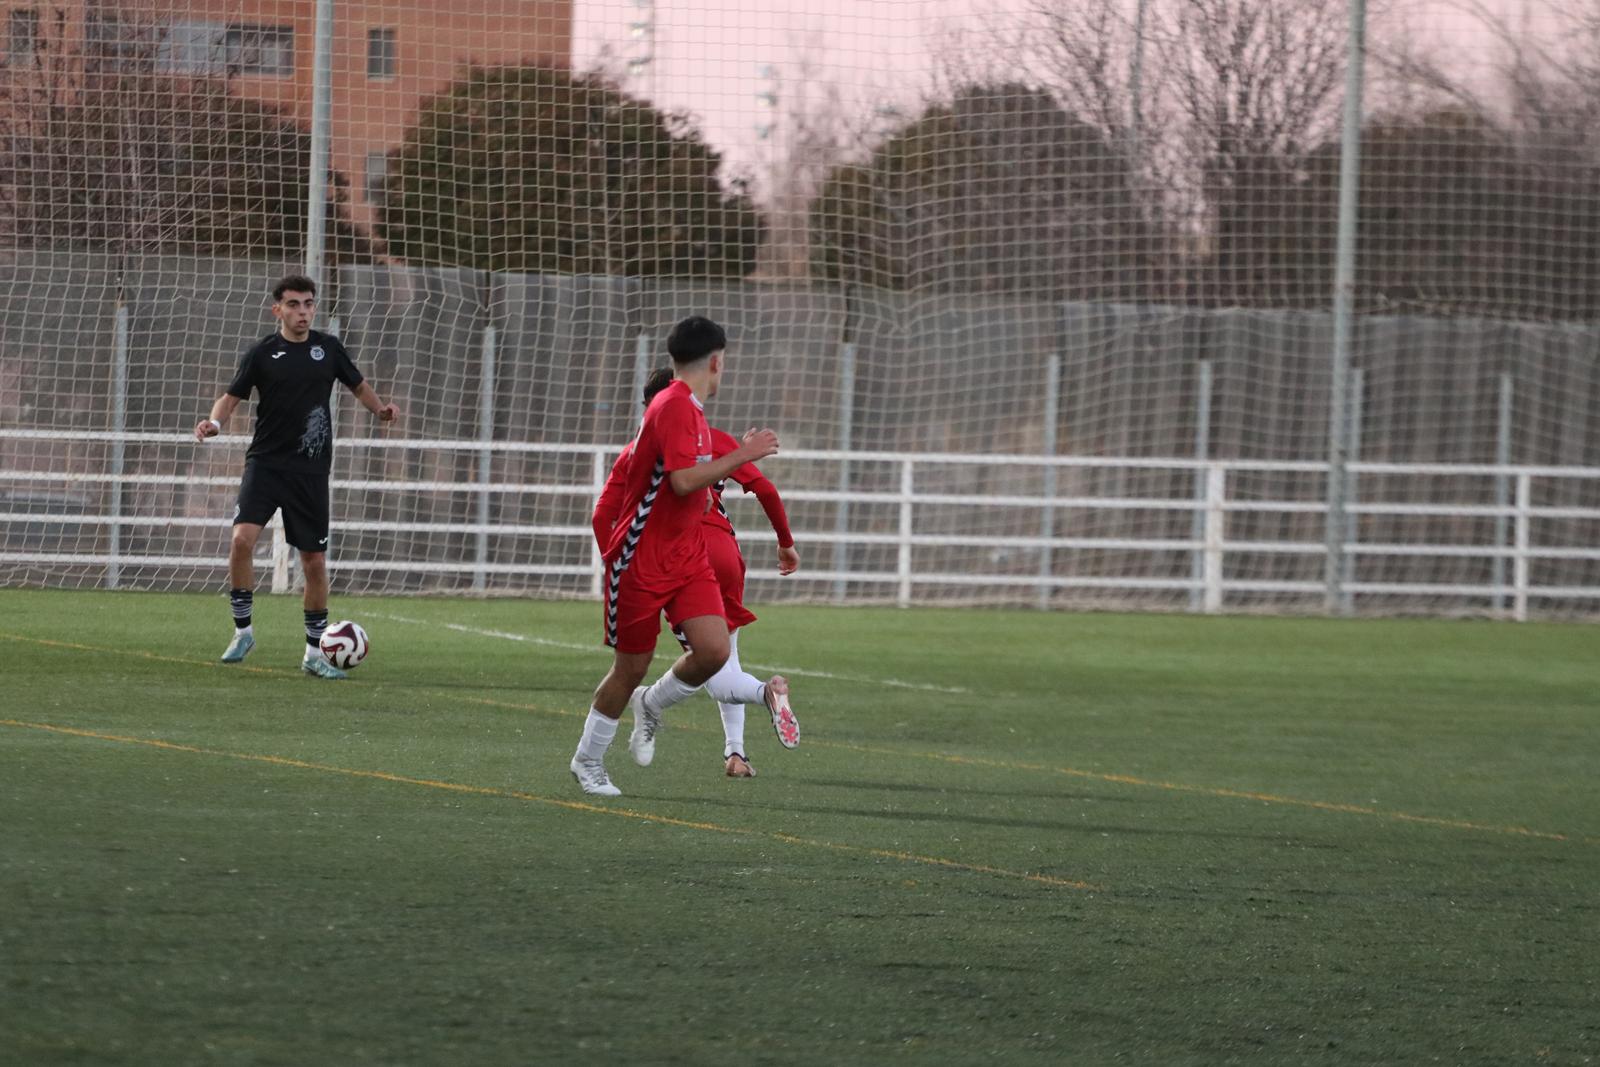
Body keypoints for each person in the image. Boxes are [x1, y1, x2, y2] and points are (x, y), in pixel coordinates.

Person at [570, 316, 778, 796]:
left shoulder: (691, 410)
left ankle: (652, 704)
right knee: (630, 668)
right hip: (641, 559)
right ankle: (588, 760)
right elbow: (683, 481)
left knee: (714, 651)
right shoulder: (673, 406)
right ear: (716, 361)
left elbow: (686, 484)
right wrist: (744, 454)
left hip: (687, 557)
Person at [593, 367, 800, 778]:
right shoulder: (714, 438)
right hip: (727, 556)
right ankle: (736, 753)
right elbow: (766, 489)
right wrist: (785, 542)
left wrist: (617, 566)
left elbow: (604, 516)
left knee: (714, 666)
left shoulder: (640, 451)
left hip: (681, 558)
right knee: (725, 654)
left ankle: (764, 693)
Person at [193, 275, 399, 679]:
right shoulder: (262, 354)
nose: (302, 312)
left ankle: (314, 653)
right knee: (241, 541)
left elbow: (359, 387)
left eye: (308, 304)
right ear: (278, 310)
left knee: (314, 562)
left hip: (310, 470)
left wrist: (380, 410)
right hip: (265, 464)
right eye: (293, 304)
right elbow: (230, 398)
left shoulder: (329, 349)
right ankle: (243, 631)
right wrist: (214, 424)